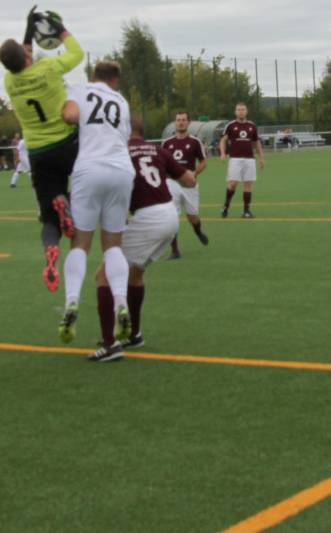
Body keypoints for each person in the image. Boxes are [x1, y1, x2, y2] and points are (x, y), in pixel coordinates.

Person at [87, 114, 197, 361]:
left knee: (103, 275)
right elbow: (190, 181)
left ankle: (109, 344)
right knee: (135, 274)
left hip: (149, 218)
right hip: (169, 215)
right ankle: (134, 334)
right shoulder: (158, 150)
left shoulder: (120, 153)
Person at [0, 8, 84, 290]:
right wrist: (60, 29)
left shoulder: (10, 81)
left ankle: (51, 249)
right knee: (91, 185)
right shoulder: (48, 68)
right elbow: (77, 53)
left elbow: (19, 56)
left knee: (48, 218)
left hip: (38, 153)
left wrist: (27, 30)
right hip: (68, 144)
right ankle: (68, 202)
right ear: (27, 56)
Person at [55, 61, 134, 348]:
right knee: (113, 246)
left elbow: (70, 116)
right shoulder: (122, 101)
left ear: (93, 77)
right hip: (122, 170)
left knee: (80, 245)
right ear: (115, 82)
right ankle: (121, 303)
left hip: (90, 169)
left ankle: (72, 303)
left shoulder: (82, 88)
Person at [163, 110, 209, 258]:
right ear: (175, 123)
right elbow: (161, 164)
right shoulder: (167, 143)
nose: (180, 122)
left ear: (188, 123)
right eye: (178, 120)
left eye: (183, 120)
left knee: (192, 217)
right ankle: (175, 250)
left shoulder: (195, 142)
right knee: (172, 218)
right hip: (172, 184)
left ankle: (198, 231)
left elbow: (203, 163)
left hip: (189, 185)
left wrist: (194, 174)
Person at [220, 102, 265, 218]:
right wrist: (223, 153)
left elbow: (257, 142)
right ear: (235, 112)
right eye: (238, 110)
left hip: (249, 159)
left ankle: (246, 211)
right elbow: (223, 140)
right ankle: (226, 205)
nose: (240, 111)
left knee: (248, 184)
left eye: (243, 109)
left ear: (246, 111)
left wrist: (261, 158)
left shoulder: (252, 126)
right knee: (233, 183)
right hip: (235, 159)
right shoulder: (230, 126)